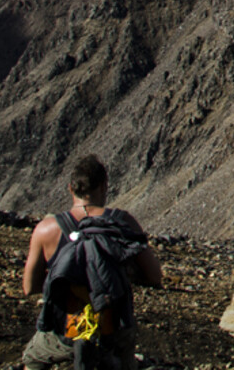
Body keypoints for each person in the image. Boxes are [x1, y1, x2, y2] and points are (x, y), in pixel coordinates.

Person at [21, 155, 162, 370]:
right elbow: (154, 276)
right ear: (105, 186)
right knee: (126, 360)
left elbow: (29, 287)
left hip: (68, 330)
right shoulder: (123, 223)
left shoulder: (46, 229)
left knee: (31, 359)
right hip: (113, 328)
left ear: (70, 188)